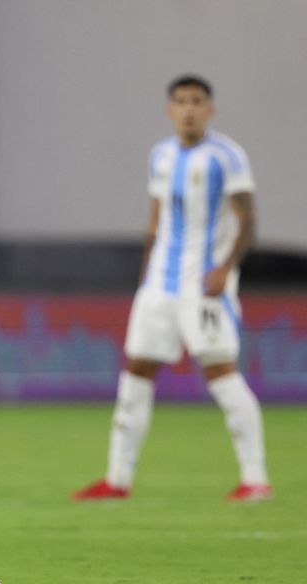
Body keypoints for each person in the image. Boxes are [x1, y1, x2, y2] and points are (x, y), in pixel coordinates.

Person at [73, 75, 271, 503]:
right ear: (170, 109)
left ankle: (255, 479)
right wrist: (146, 276)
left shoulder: (227, 156)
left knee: (221, 374)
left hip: (204, 286)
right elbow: (156, 219)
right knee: (136, 372)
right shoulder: (160, 156)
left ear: (210, 108)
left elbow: (249, 222)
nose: (189, 109)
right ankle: (117, 479)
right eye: (181, 101)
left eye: (197, 101)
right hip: (160, 285)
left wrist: (226, 267)